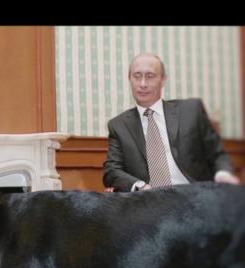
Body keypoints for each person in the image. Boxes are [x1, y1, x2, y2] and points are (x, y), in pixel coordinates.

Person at [103, 52, 240, 192]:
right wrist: (140, 186)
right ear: (129, 79)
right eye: (137, 76)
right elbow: (112, 171)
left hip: (196, 198)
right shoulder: (119, 126)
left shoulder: (191, 111)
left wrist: (222, 174)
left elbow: (216, 153)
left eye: (150, 76)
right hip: (150, 203)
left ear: (163, 80)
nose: (142, 84)